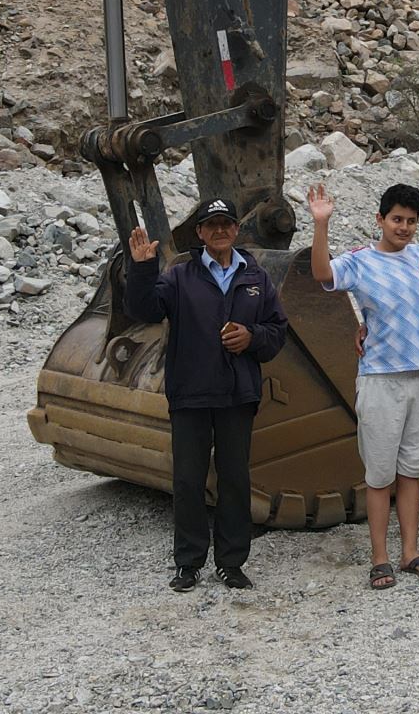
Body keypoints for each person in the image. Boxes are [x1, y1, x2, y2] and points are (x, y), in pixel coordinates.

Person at [126, 198, 288, 592]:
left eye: (225, 224)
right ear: (199, 233)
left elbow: (276, 331)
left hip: (237, 395)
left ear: (236, 229)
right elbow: (144, 309)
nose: (219, 231)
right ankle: (188, 563)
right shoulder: (179, 276)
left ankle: (231, 563)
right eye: (210, 225)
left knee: (234, 480)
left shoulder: (255, 276)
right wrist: (143, 268)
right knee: (188, 480)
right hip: (191, 395)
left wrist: (252, 337)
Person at [308, 181, 419, 590]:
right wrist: (320, 225)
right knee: (379, 474)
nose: (403, 227)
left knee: (411, 471)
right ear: (380, 220)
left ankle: (410, 552)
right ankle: (380, 558)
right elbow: (322, 274)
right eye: (397, 219)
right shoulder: (360, 261)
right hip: (380, 379)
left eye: (411, 221)